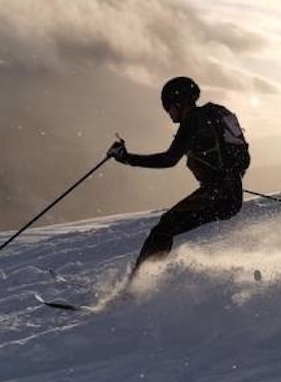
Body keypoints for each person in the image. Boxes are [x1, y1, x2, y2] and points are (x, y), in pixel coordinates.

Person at [107, 76, 250, 282]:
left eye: (168, 108)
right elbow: (241, 158)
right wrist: (230, 179)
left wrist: (127, 158)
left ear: (179, 103)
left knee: (164, 228)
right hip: (231, 195)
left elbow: (169, 160)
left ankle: (138, 284)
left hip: (217, 194)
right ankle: (145, 282)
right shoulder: (214, 115)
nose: (169, 114)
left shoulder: (192, 120)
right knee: (167, 228)